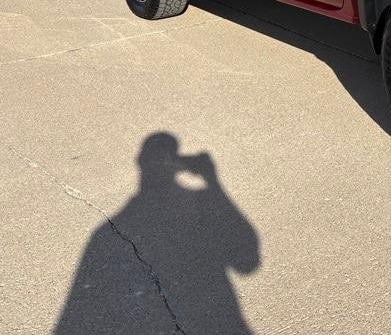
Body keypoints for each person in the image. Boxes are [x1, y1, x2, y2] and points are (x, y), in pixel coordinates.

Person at [53, 133, 260, 334]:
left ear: (139, 162)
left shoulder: (106, 232)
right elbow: (247, 262)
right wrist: (213, 182)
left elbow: (247, 263)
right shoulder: (201, 202)